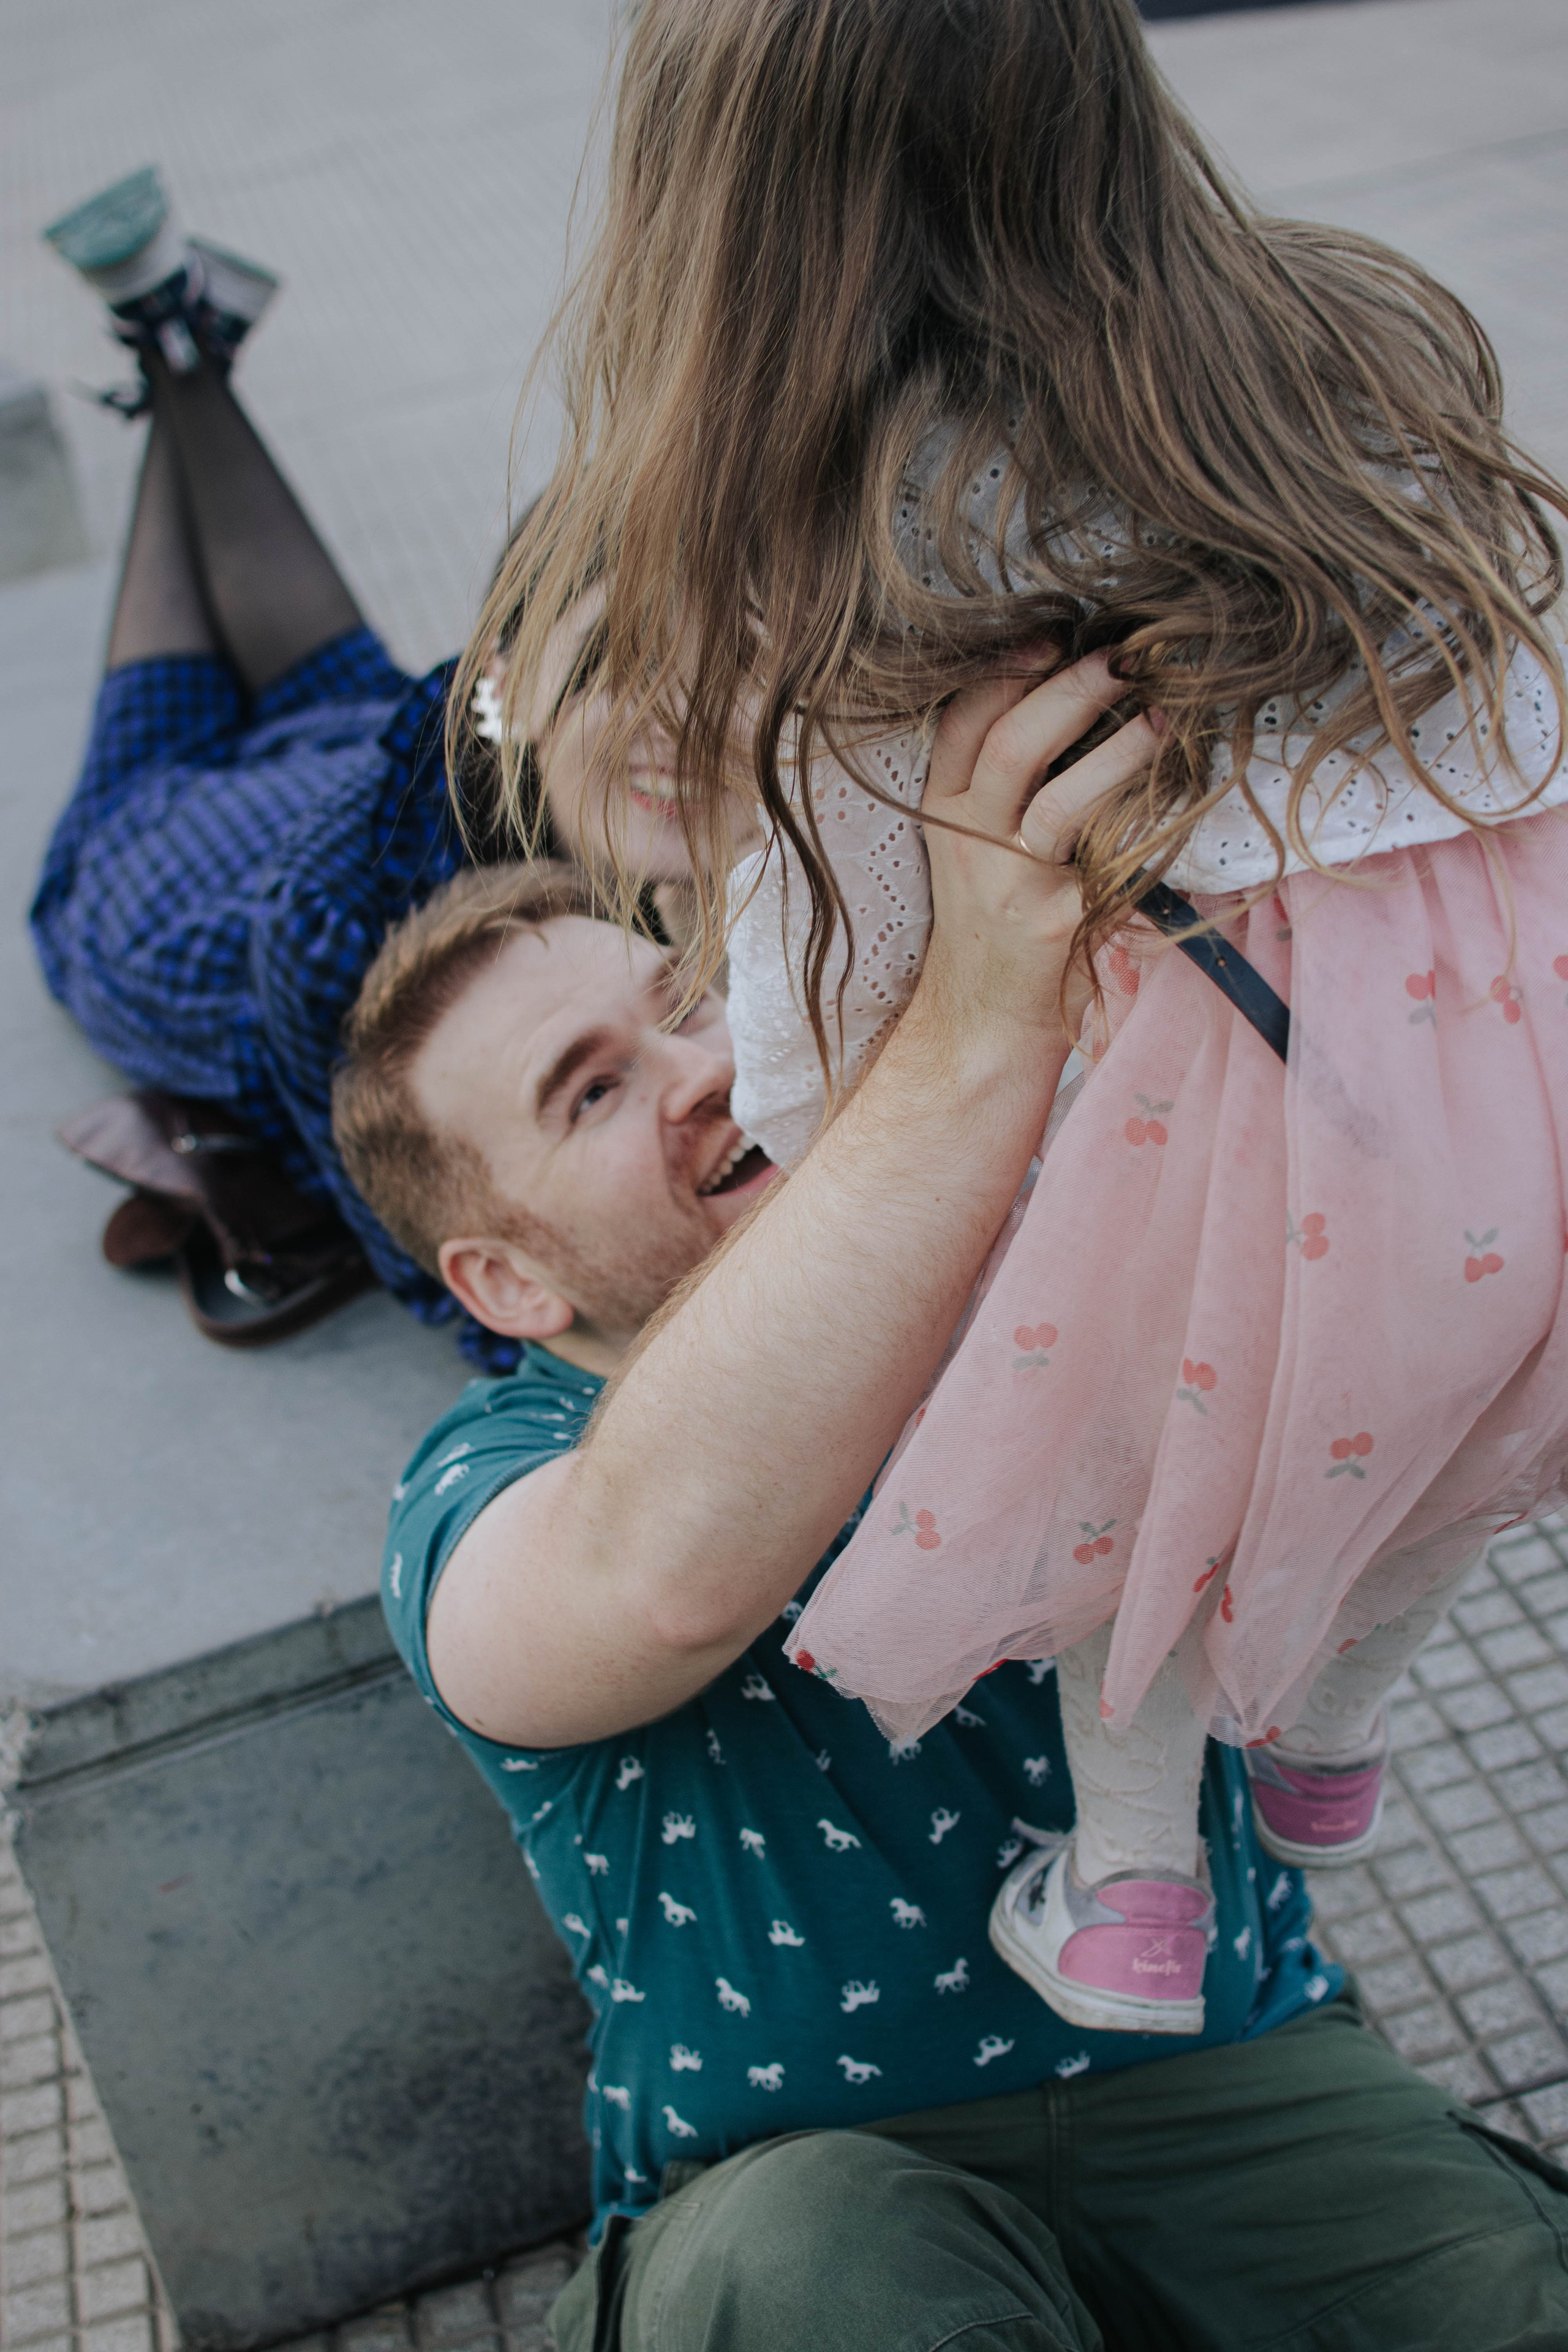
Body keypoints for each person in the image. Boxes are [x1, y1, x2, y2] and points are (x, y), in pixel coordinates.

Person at [461, 0, 1568, 2031]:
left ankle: (1139, 1896)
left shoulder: (855, 557)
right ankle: (1327, 1734)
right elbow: (1518, 717)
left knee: (1121, 1472)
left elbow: (858, 961)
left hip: (1200, 1112)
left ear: (715, 228)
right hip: (1516, 1052)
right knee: (1444, 1403)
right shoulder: (1346, 349)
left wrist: (811, 1123)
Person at [341, 668, 1568, 2351]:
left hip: (1233, 2076)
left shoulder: (1061, 1231)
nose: (699, 1067)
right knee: (835, 2264)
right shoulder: (484, 1482)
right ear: (504, 1277)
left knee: (1510, 2293)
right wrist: (974, 1014)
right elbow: (652, 1586)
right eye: (593, 1090)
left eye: (688, 996)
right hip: (794, 2178)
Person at [29, 168, 734, 1365]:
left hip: (356, 742)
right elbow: (409, 1228)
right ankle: (174, 351)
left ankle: (170, 339)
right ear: (504, 675)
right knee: (164, 675)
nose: (674, 713)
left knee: (316, 660)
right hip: (176, 882)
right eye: (616, 660)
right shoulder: (330, 924)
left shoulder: (506, 717)